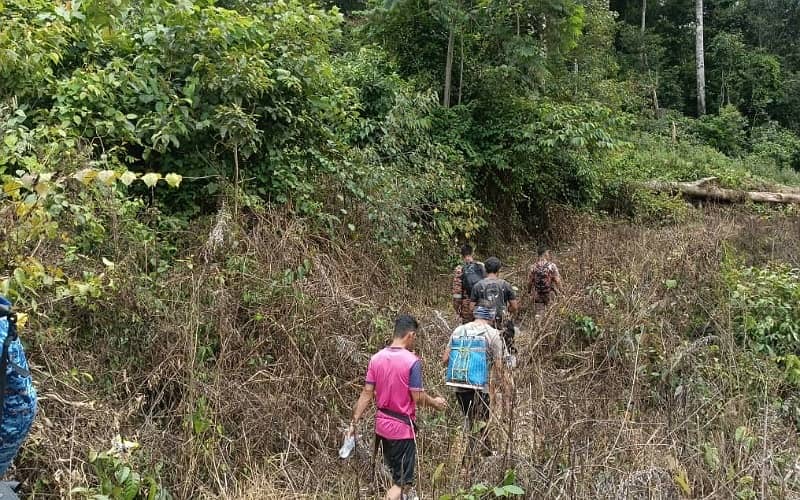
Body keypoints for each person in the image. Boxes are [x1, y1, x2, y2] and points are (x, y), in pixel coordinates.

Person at [348, 315, 447, 500]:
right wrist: (435, 402)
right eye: (415, 336)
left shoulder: (376, 358)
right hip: (402, 430)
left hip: (382, 428)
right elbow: (417, 396)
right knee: (401, 484)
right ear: (410, 335)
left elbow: (367, 393)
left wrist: (354, 422)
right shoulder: (412, 361)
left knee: (396, 476)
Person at [442, 306, 508, 456]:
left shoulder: (459, 330)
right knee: (479, 423)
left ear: (475, 315)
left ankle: (486, 452)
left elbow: (445, 359)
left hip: (459, 385)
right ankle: (469, 463)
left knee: (473, 420)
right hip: (479, 387)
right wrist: (506, 388)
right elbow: (499, 367)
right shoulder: (493, 334)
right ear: (492, 318)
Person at [469, 257, 519, 354]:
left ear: (485, 270)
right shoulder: (506, 285)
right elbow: (514, 307)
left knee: (486, 351)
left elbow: (471, 308)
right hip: (503, 323)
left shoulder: (478, 286)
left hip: (485, 325)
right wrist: (507, 311)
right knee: (507, 349)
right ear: (498, 270)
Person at [451, 245, 485, 325]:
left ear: (461, 255)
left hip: (467, 306)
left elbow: (457, 293)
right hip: (482, 304)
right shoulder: (481, 266)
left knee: (469, 331)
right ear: (472, 253)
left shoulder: (459, 270)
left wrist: (457, 309)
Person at [527, 245, 562, 316]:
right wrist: (561, 291)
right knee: (550, 315)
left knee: (539, 315)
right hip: (549, 295)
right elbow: (557, 280)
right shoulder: (552, 266)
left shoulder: (533, 267)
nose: (549, 255)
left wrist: (529, 291)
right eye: (548, 253)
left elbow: (529, 282)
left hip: (537, 295)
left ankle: (538, 324)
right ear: (545, 253)